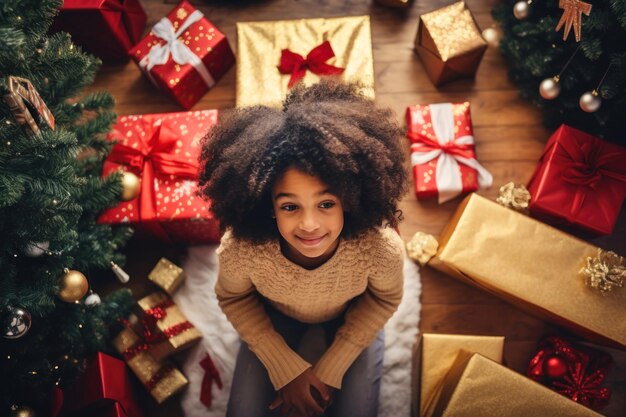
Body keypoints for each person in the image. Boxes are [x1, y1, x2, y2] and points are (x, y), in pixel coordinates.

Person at [198, 80, 408, 417]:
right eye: (290, 207)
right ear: (268, 207)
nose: (309, 225)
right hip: (273, 318)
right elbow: (233, 297)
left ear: (349, 200)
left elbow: (384, 299)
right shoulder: (242, 251)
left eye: (325, 204)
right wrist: (283, 365)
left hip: (351, 317)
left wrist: (333, 365)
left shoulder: (380, 249)